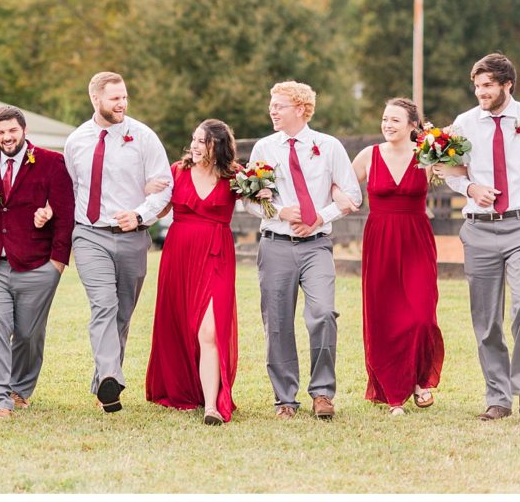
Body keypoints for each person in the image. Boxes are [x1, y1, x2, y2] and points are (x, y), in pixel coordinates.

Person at [247, 81, 362, 420]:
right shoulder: (263, 148)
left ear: (300, 108)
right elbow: (248, 198)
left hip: (316, 246)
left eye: (279, 105)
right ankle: (285, 398)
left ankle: (323, 393)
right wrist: (278, 211)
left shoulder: (328, 147)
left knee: (324, 313)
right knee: (278, 322)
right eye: (272, 104)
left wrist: (318, 217)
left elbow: (352, 195)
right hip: (276, 244)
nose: (272, 110)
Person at [63, 72, 173, 413]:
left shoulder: (143, 137)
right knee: (103, 306)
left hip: (132, 237)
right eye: (114, 98)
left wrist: (140, 214)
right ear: (95, 100)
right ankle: (111, 374)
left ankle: (104, 387)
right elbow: (72, 190)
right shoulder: (76, 140)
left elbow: (164, 184)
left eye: (124, 96)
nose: (121, 103)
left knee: (122, 314)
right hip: (89, 235)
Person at [0, 106, 75, 419]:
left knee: (28, 334)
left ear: (24, 130)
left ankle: (20, 389)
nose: (6, 137)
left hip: (37, 264)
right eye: (0, 132)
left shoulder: (52, 163)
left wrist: (57, 264)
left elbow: (65, 216)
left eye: (12, 131)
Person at [439, 53, 520, 421]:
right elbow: (446, 167)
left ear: (507, 84)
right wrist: (470, 186)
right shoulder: (464, 123)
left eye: (488, 85)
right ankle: (497, 397)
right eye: (477, 86)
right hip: (479, 228)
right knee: (486, 319)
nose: (481, 92)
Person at [348, 99, 444, 416]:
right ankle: (394, 394)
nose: (388, 124)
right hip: (380, 241)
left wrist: (450, 153)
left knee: (421, 314)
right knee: (384, 317)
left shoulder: (426, 155)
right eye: (385, 118)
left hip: (416, 239)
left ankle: (419, 378)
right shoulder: (369, 156)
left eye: (395, 120)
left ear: (413, 125)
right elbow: (342, 187)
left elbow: (456, 173)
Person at [146, 119, 243, 425]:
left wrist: (265, 196)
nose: (196, 146)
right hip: (179, 254)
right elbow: (159, 209)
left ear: (219, 145)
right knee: (180, 324)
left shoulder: (236, 176)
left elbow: (258, 206)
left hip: (216, 254)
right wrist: (148, 192)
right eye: (195, 140)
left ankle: (213, 405)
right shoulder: (177, 170)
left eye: (203, 141)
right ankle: (188, 388)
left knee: (210, 331)